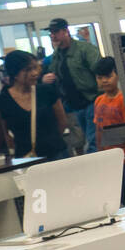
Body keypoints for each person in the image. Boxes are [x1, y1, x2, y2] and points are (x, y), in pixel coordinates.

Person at [0, 49, 71, 162]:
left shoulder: (46, 91)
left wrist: (50, 140)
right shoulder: (2, 100)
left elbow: (63, 122)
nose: (35, 73)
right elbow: (4, 135)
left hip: (56, 153)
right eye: (28, 70)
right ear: (14, 73)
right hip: (25, 157)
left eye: (35, 68)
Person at [44, 17, 102, 153]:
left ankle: (93, 169)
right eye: (51, 33)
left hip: (91, 101)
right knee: (79, 141)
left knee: (94, 141)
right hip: (72, 106)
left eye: (55, 32)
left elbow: (100, 71)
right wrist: (47, 77)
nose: (52, 36)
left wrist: (102, 98)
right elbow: (53, 73)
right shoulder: (56, 56)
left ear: (65, 31)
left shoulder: (84, 49)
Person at [91, 57, 125, 205]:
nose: (104, 81)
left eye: (108, 76)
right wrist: (100, 153)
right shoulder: (98, 100)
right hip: (109, 158)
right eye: (100, 78)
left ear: (117, 75)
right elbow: (98, 130)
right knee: (120, 197)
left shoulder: (123, 99)